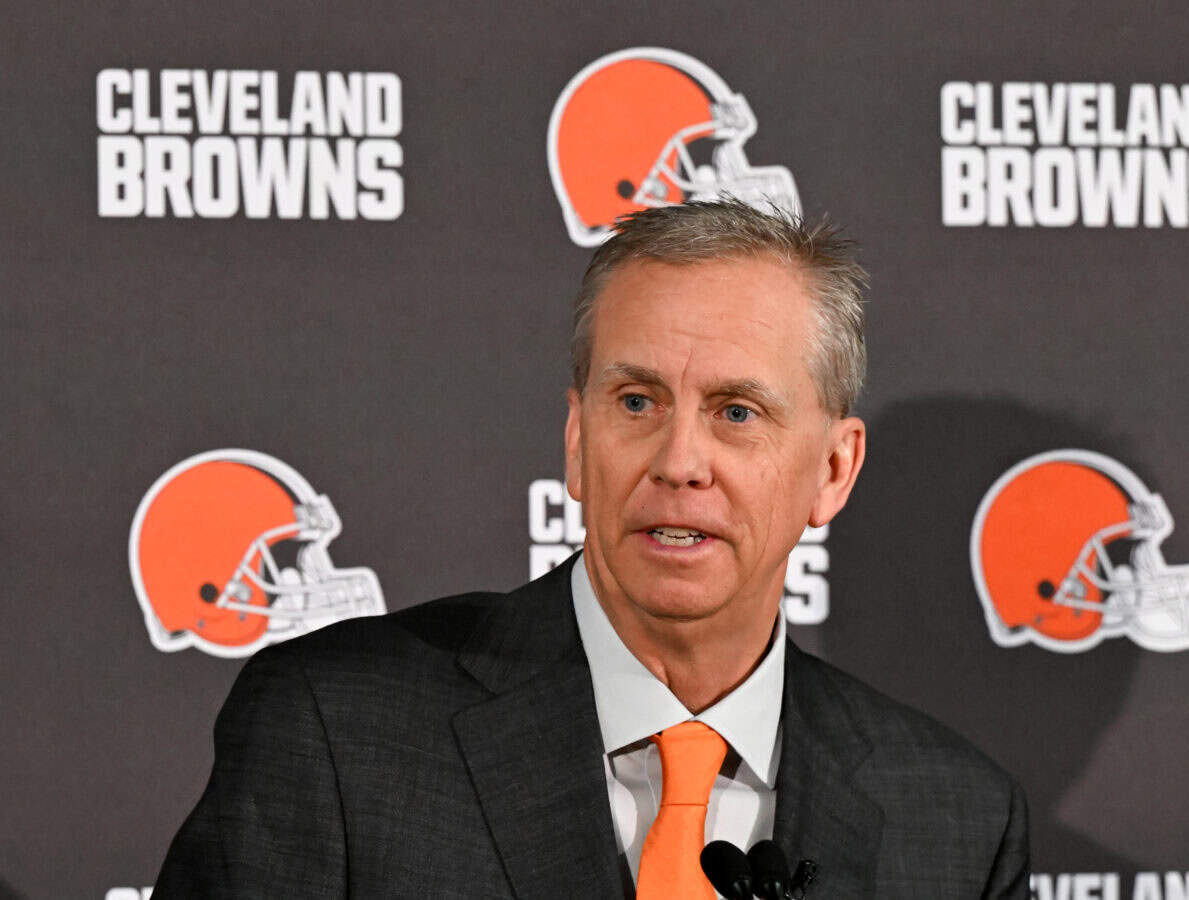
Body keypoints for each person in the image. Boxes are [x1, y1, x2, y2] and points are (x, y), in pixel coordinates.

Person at [153, 200, 1029, 898]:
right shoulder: (337, 732)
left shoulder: (954, 823)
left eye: (736, 413)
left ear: (833, 471)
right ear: (577, 441)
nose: (680, 462)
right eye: (638, 403)